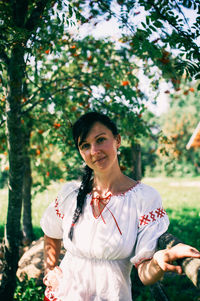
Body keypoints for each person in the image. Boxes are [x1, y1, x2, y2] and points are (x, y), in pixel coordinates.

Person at [40, 111, 200, 301]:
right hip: (63, 294)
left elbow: (145, 273)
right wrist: (51, 270)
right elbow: (51, 232)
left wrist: (158, 261)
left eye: (100, 140)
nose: (94, 151)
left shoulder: (144, 198)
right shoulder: (70, 194)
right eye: (85, 145)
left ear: (117, 140)